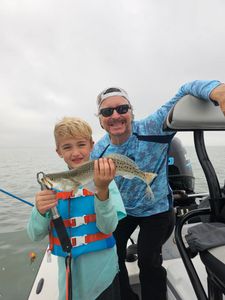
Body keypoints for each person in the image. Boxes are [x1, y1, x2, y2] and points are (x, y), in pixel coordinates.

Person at [91, 81, 225, 300]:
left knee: (148, 259)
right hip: (123, 211)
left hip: (157, 209)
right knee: (112, 256)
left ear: (131, 112)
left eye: (122, 109)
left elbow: (184, 89)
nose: (115, 115)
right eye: (107, 111)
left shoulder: (152, 126)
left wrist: (216, 90)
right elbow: (94, 187)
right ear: (100, 119)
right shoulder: (99, 150)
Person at [27, 117, 126, 300]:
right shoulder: (52, 187)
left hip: (104, 277)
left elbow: (108, 227)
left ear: (91, 145)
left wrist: (102, 190)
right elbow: (34, 234)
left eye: (81, 144)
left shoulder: (106, 182)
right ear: (59, 152)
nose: (75, 152)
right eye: (67, 147)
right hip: (69, 282)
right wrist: (40, 211)